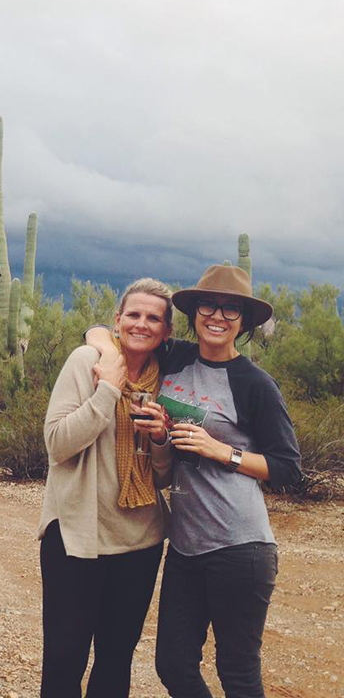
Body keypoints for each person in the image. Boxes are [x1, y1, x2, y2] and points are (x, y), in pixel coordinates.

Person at [87, 264, 302, 698]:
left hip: (240, 548)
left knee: (238, 673)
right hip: (185, 546)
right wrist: (107, 353)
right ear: (193, 312)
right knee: (173, 664)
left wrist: (223, 451)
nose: (218, 316)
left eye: (231, 309)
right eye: (209, 304)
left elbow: (289, 469)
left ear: (243, 322)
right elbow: (103, 330)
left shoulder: (254, 384)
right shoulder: (176, 357)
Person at [38, 278, 172, 698]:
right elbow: (57, 443)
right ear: (117, 320)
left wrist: (160, 439)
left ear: (166, 331)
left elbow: (163, 477)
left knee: (115, 657)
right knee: (64, 658)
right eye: (133, 314)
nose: (141, 324)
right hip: (78, 537)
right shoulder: (87, 361)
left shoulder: (163, 381)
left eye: (153, 318)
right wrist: (108, 391)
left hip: (140, 541)